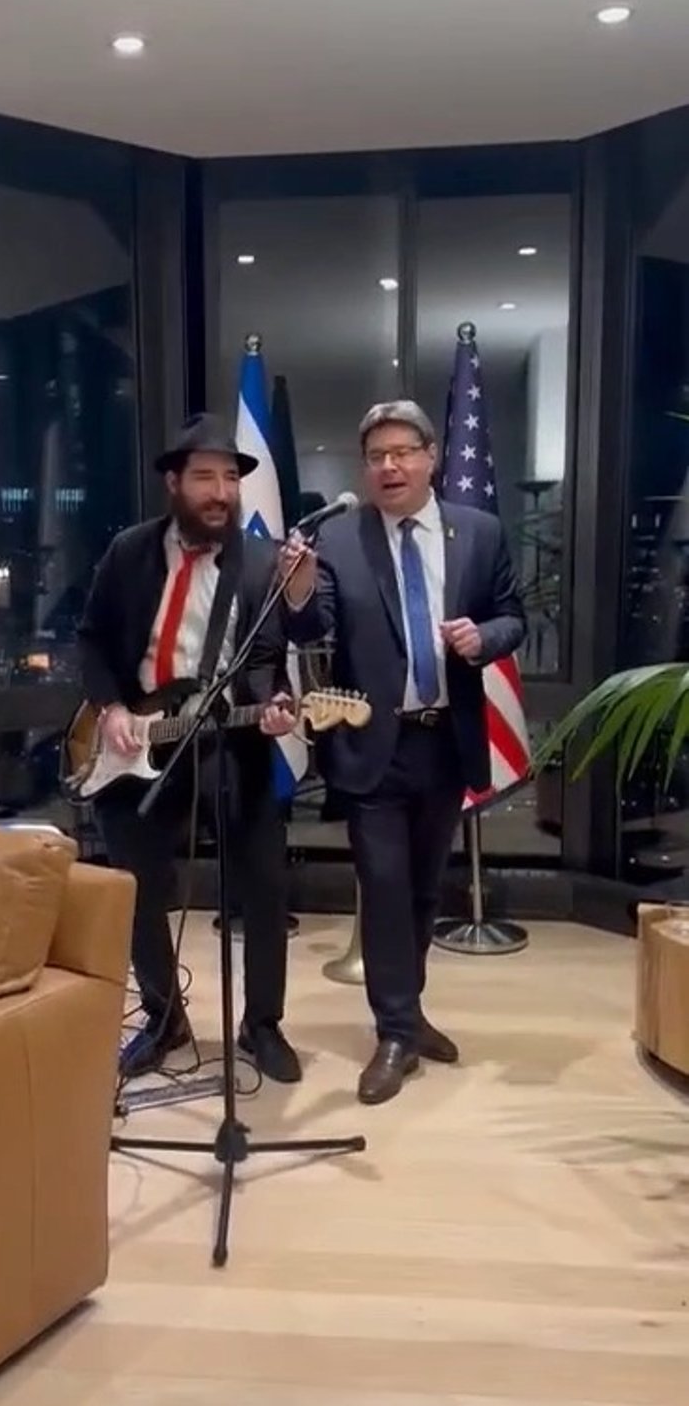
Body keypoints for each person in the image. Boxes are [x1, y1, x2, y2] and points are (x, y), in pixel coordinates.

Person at [282, 400, 526, 1105]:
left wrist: (484, 639)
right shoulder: (341, 538)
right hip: (372, 744)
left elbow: (513, 615)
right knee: (385, 887)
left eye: (402, 453)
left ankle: (408, 1013)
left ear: (431, 458)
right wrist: (298, 587)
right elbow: (309, 626)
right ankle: (394, 1031)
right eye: (376, 456)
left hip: (445, 742)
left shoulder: (478, 532)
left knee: (422, 889)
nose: (389, 466)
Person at [78, 412, 302, 1085]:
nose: (221, 492)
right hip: (135, 741)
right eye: (205, 477)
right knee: (137, 890)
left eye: (230, 478)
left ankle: (262, 1024)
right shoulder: (129, 552)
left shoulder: (259, 562)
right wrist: (111, 708)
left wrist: (276, 704)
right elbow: (93, 639)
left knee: (264, 883)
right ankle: (162, 1017)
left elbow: (265, 658)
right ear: (174, 482)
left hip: (227, 740)